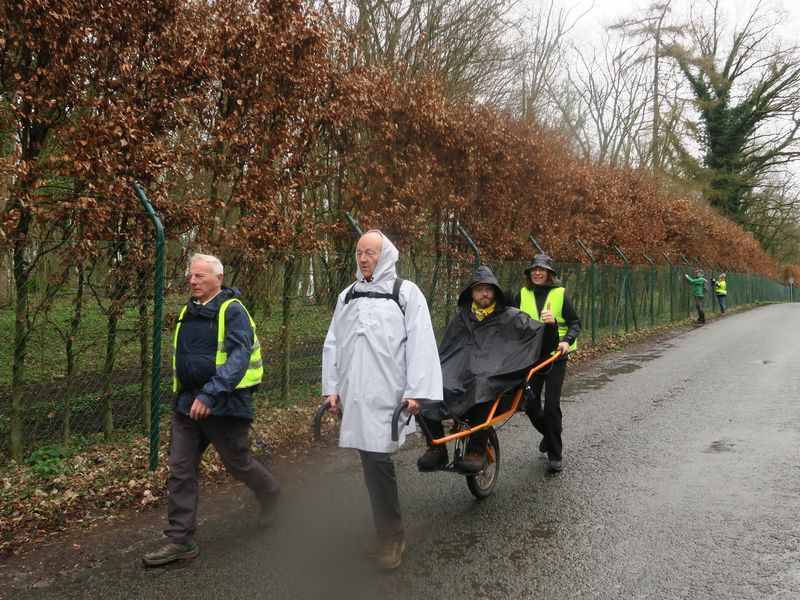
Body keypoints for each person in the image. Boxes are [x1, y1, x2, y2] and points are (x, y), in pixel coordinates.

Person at [142, 253, 280, 567]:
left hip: (224, 405)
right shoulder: (187, 312)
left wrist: (211, 394)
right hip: (187, 405)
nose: (192, 281)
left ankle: (270, 492)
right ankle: (180, 539)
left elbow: (238, 358)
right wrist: (190, 398)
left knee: (238, 463)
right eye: (191, 276)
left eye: (199, 276)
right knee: (180, 469)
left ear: (218, 278)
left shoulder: (233, 311)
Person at [322, 230, 443, 571]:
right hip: (355, 394)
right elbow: (333, 342)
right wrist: (332, 388)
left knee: (377, 461)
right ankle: (384, 531)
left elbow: (421, 342)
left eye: (370, 252)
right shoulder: (348, 295)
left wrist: (415, 391)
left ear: (386, 255)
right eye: (359, 252)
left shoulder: (405, 293)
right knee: (369, 461)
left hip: (387, 395)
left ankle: (392, 536)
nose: (363, 258)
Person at [417, 265, 558, 474]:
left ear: (495, 292)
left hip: (494, 375)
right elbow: (446, 353)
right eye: (479, 289)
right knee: (424, 386)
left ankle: (477, 449)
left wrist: (551, 327)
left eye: (488, 289)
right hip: (460, 374)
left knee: (482, 385)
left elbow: (540, 343)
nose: (484, 293)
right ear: (471, 293)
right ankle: (436, 447)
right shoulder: (461, 320)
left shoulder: (512, 317)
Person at [510, 254, 581, 473]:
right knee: (530, 406)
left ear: (549, 273)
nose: (538, 273)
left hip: (555, 356)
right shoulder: (522, 294)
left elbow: (575, 323)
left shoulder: (560, 294)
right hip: (532, 357)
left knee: (551, 405)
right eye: (534, 270)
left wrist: (566, 341)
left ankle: (555, 455)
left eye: (542, 270)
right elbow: (509, 318)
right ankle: (549, 435)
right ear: (530, 274)